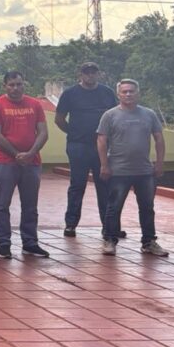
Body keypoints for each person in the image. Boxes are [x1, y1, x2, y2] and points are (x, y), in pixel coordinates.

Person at [98, 79, 169, 257]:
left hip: (144, 171)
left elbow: (159, 139)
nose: (128, 94)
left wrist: (159, 163)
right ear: (118, 94)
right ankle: (109, 240)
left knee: (147, 207)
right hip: (118, 170)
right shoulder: (110, 115)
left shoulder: (149, 114)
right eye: (124, 92)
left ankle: (149, 242)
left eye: (131, 91)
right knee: (114, 207)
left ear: (138, 93)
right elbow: (101, 140)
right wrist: (104, 165)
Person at [0, 71, 50, 259]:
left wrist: (30, 154)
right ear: (4, 86)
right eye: (11, 84)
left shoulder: (35, 104)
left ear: (24, 85)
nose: (15, 88)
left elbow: (43, 132)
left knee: (30, 205)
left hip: (32, 163)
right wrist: (16, 154)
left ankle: (30, 243)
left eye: (19, 84)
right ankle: (4, 244)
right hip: (5, 162)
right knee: (1, 205)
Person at [56, 62, 118, 238]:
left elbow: (114, 116)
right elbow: (59, 119)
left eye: (93, 72)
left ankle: (108, 225)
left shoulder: (107, 93)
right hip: (78, 146)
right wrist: (74, 132)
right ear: (80, 75)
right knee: (77, 185)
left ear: (98, 74)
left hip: (102, 146)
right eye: (86, 73)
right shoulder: (70, 94)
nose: (90, 76)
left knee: (104, 185)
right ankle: (70, 224)